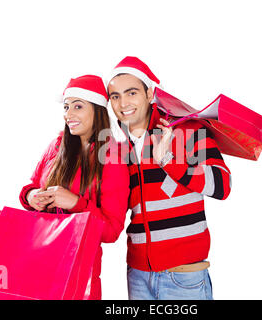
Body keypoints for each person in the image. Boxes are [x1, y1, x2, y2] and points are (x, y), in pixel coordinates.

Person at [106, 57, 232, 300]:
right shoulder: (118, 148)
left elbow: (222, 184)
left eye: (131, 92)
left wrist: (168, 160)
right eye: (115, 96)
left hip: (184, 278)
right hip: (138, 277)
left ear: (149, 92)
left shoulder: (189, 129)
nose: (123, 103)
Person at [19, 75, 130, 300]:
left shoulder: (112, 158)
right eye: (67, 107)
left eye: (78, 106)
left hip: (78, 275)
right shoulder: (57, 145)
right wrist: (31, 196)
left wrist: (75, 203)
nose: (68, 114)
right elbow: (31, 186)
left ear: (98, 110)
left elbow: (111, 231)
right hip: (37, 262)